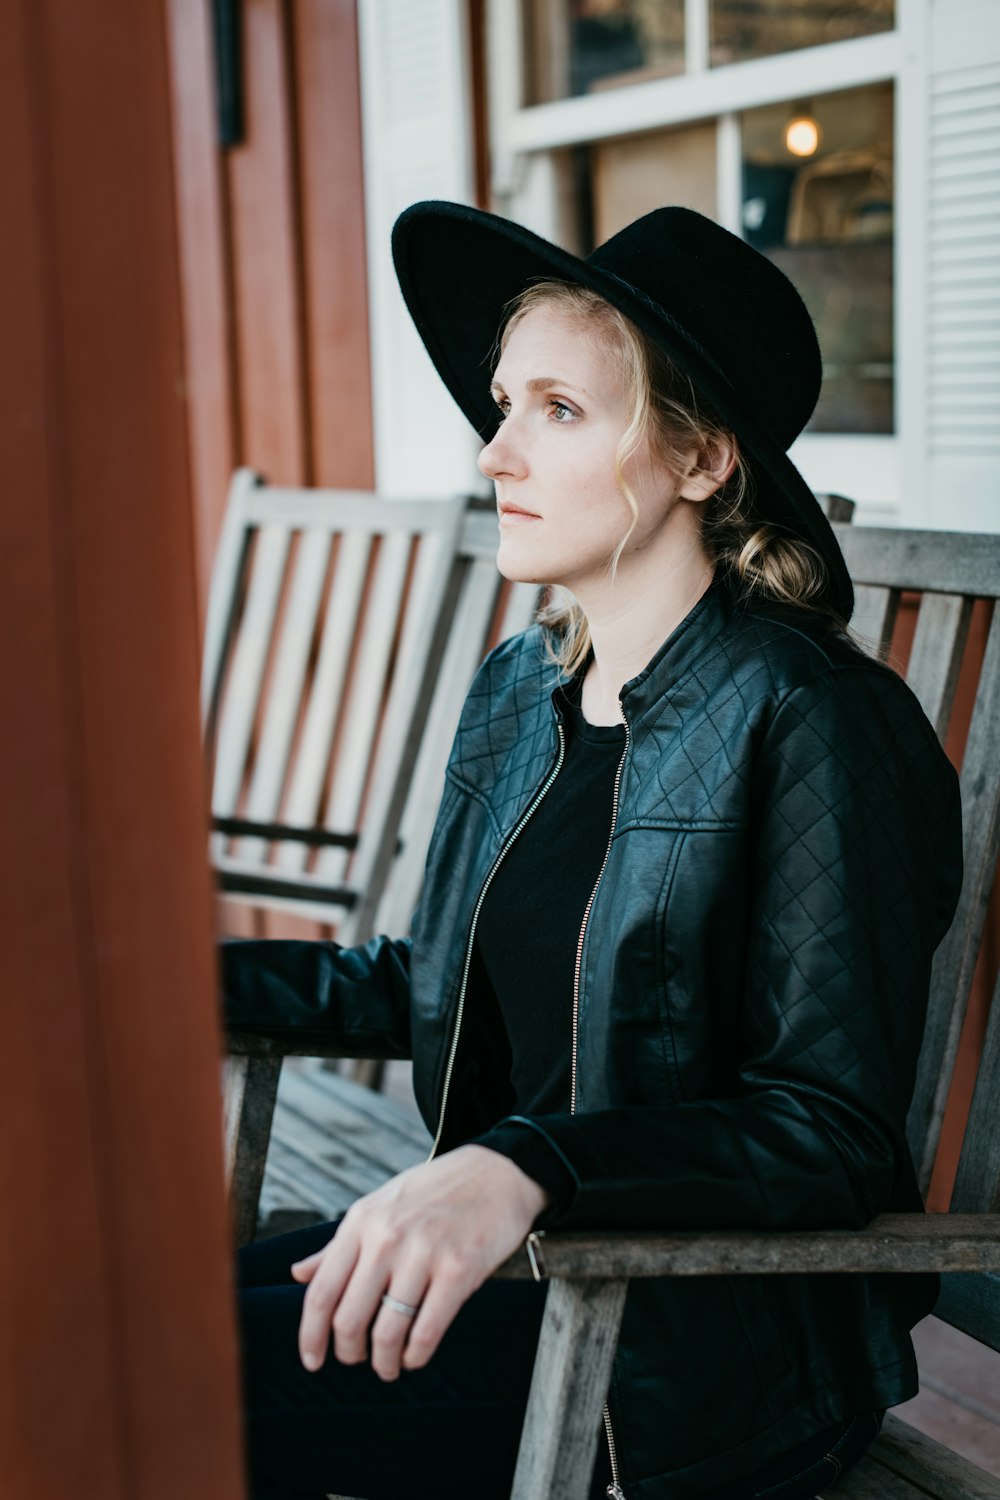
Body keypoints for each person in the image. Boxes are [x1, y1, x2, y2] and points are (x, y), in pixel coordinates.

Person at [225, 201, 964, 1500]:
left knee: (173, 1386)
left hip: (685, 1352)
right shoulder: (525, 689)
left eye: (558, 410)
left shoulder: (813, 720)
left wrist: (528, 1165)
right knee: (104, 1317)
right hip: (522, 1261)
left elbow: (834, 1130)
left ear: (698, 461)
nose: (495, 452)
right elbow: (425, 983)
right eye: (504, 405)